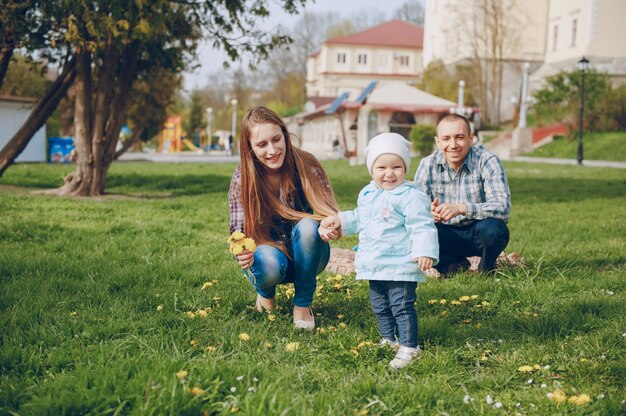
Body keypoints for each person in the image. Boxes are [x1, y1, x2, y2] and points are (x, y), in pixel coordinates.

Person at [320, 132, 439, 369]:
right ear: (371, 169)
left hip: (400, 264)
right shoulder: (368, 194)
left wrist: (424, 251)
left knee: (401, 305)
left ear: (405, 168)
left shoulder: (410, 196)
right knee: (379, 305)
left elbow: (422, 225)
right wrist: (340, 220)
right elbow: (360, 217)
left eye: (396, 166)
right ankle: (389, 339)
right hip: (375, 262)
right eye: (381, 167)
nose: (389, 173)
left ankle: (410, 346)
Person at [228, 106, 339, 330]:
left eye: (276, 139)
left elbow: (329, 213)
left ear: (285, 135)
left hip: (310, 254)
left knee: (309, 225)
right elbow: (237, 233)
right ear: (249, 147)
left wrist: (330, 225)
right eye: (261, 144)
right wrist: (241, 252)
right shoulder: (243, 178)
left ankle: (302, 304)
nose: (272, 150)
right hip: (269, 255)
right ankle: (265, 293)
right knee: (268, 262)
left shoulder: (308, 165)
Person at [414, 113, 511, 276]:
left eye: (459, 137)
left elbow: (503, 207)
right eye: (446, 139)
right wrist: (427, 212)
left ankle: (487, 268)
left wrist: (461, 208)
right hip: (444, 233)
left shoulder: (487, 160)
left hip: (478, 232)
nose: (453, 145)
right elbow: (414, 208)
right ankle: (452, 266)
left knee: (495, 230)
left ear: (470, 138)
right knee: (415, 230)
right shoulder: (427, 164)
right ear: (438, 142)